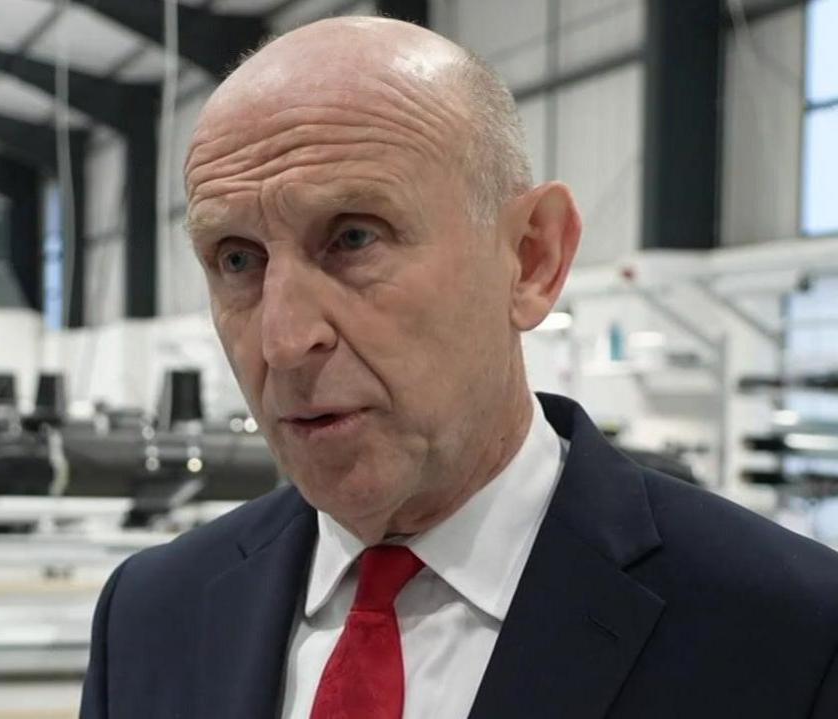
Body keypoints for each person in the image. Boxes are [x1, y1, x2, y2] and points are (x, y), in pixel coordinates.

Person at [79, 18, 838, 719]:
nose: (283, 340)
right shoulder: (150, 616)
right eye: (237, 260)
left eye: (353, 237)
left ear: (531, 259)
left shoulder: (792, 635)